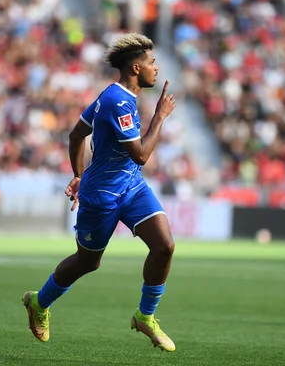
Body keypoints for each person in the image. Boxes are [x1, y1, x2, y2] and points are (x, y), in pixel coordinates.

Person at [22, 33, 177, 352]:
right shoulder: (116, 101)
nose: (156, 68)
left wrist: (78, 173)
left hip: (132, 187)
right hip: (102, 195)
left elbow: (77, 134)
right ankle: (39, 302)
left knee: (164, 246)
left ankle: (145, 316)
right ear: (135, 68)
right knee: (87, 262)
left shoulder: (116, 96)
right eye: (151, 62)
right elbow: (142, 154)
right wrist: (160, 116)